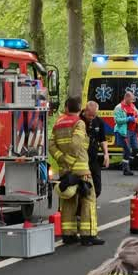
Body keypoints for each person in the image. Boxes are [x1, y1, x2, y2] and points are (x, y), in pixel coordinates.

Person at [49, 97, 105, 246]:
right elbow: (76, 144)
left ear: (66, 107)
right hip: (81, 169)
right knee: (89, 199)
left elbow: (51, 145)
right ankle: (89, 235)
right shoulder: (79, 123)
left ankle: (69, 235)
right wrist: (70, 161)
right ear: (80, 109)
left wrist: (62, 159)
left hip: (65, 171)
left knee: (68, 201)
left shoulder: (58, 123)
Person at [81, 101, 110, 198]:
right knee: (82, 187)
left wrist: (106, 154)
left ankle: (89, 205)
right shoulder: (78, 120)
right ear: (85, 110)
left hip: (93, 158)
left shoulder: (99, 122)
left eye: (94, 116)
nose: (91, 118)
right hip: (81, 159)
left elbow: (103, 140)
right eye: (90, 115)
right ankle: (82, 208)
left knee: (97, 188)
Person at [114, 91, 138, 176]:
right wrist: (127, 119)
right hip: (125, 131)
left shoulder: (132, 106)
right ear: (126, 98)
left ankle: (126, 162)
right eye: (131, 99)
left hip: (133, 131)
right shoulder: (119, 107)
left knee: (136, 149)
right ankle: (126, 169)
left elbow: (137, 112)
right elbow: (117, 120)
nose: (132, 101)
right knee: (127, 150)